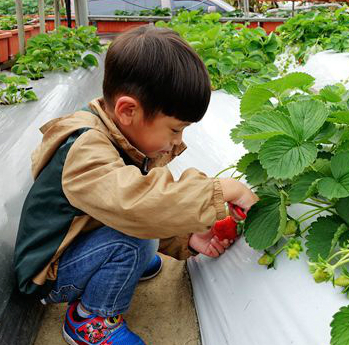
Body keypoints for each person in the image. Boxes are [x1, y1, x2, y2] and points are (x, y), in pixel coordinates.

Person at [14, 25, 258, 345]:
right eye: (174, 130)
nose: (177, 142)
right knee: (135, 237)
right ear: (128, 110)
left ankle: (121, 263)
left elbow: (127, 204)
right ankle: (91, 319)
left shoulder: (119, 134)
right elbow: (137, 204)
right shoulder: (85, 149)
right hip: (48, 274)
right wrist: (221, 190)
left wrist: (185, 237)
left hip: (78, 243)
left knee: (143, 234)